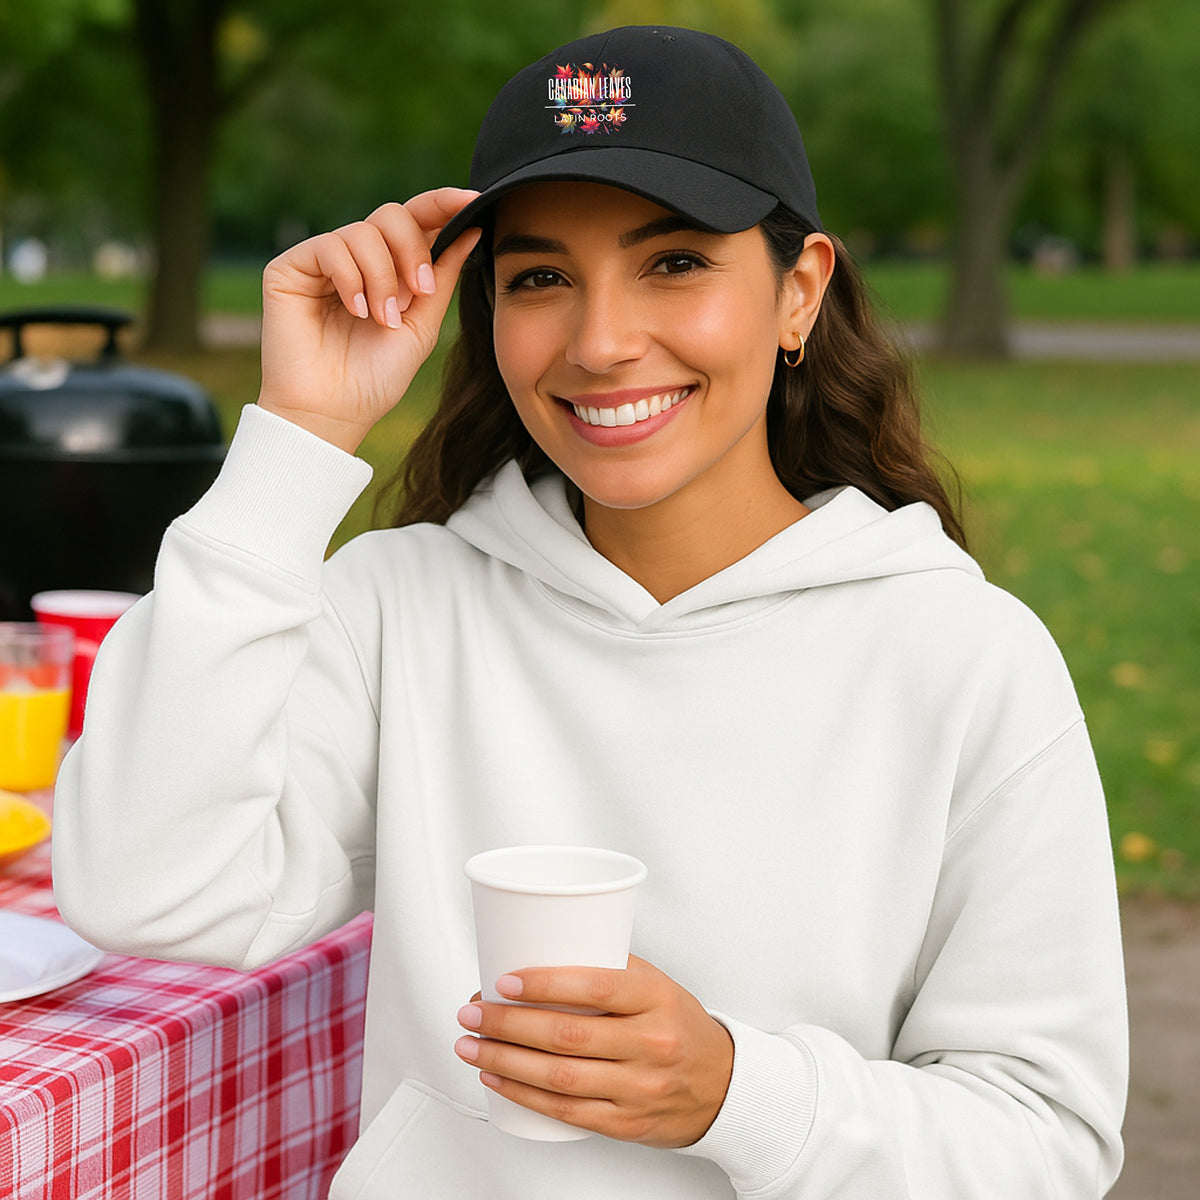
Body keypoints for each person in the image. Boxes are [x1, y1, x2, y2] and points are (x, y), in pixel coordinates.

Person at [52, 25, 1127, 1200]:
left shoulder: (966, 660)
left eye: (675, 263)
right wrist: (299, 437)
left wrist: (733, 1095)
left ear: (799, 292)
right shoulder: (399, 608)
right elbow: (144, 888)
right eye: (541, 278)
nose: (602, 344)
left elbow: (1046, 1144)